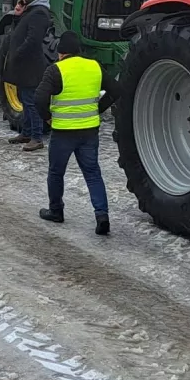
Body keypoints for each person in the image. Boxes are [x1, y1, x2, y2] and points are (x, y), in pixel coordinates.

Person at [34, 31, 116, 235]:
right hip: (89, 131)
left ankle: (56, 211)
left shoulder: (56, 70)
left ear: (61, 53)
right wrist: (98, 109)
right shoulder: (94, 66)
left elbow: (38, 98)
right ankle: (102, 215)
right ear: (79, 51)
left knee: (56, 172)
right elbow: (117, 89)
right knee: (93, 173)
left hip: (63, 132)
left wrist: (47, 117)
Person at [4, 0, 53, 152]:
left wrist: (18, 53)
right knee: (25, 99)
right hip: (24, 66)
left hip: (31, 66)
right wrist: (17, 15)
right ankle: (26, 132)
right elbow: (20, 31)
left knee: (32, 102)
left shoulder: (39, 13)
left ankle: (36, 137)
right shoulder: (30, 10)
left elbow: (33, 39)